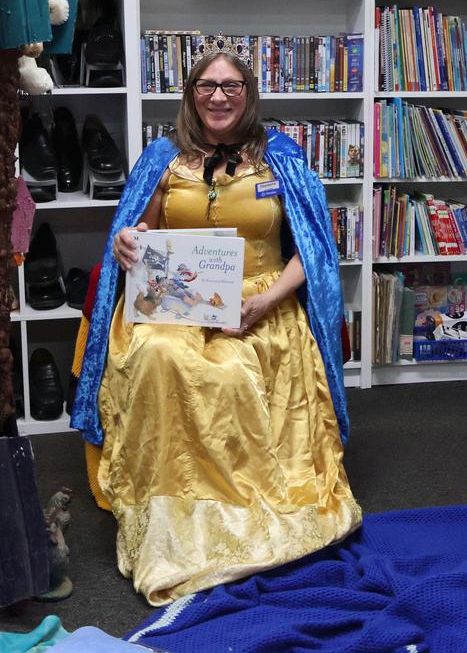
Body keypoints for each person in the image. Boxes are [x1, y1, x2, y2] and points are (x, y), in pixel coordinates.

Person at [68, 44, 362, 605]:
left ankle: (235, 513)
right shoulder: (162, 158)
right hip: (175, 299)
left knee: (230, 375)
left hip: (259, 301)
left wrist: (267, 301)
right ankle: (169, 511)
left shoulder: (282, 159)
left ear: (248, 94)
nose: (219, 96)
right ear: (191, 95)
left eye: (231, 86)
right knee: (156, 356)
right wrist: (129, 240)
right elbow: (139, 232)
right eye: (207, 86)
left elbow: (313, 250)